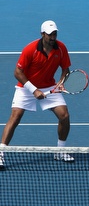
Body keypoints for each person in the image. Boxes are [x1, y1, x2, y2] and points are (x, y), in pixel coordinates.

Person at [0, 20, 74, 168]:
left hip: (49, 86)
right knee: (15, 117)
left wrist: (60, 83)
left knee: (64, 116)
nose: (53, 37)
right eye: (50, 35)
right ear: (42, 34)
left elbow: (66, 69)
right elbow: (17, 72)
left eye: (55, 34)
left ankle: (60, 150)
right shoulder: (30, 49)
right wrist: (33, 90)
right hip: (26, 87)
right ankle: (0, 153)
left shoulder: (61, 48)